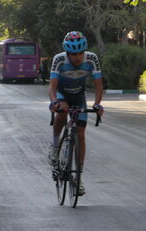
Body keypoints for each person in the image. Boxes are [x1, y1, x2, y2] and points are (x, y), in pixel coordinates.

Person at [48, 31, 104, 196]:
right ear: (67, 52)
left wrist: (97, 104)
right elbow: (52, 87)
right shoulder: (59, 59)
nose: (77, 57)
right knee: (63, 109)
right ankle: (55, 144)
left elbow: (99, 85)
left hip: (79, 95)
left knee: (80, 133)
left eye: (80, 53)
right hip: (62, 93)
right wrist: (53, 102)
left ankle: (78, 177)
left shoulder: (91, 59)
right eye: (73, 54)